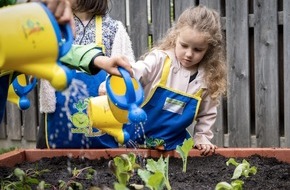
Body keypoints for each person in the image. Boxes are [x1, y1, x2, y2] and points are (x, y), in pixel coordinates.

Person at [122, 5, 227, 155]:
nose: (189, 54)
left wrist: (202, 136)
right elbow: (139, 70)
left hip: (173, 145)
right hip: (136, 139)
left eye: (198, 50)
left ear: (209, 50)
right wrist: (122, 76)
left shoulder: (206, 79)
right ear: (175, 38)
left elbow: (207, 114)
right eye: (184, 46)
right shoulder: (160, 60)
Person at [36, 0, 135, 148]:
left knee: (101, 163)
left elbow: (126, 73)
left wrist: (110, 89)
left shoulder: (112, 29)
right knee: (53, 162)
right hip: (57, 114)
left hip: (103, 119)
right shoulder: (54, 26)